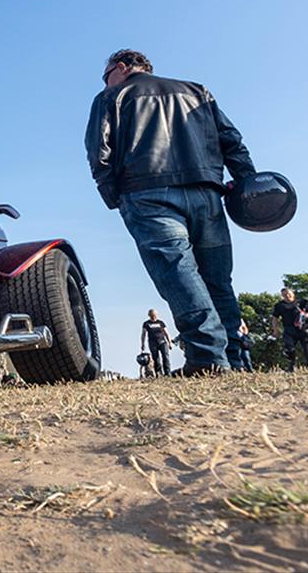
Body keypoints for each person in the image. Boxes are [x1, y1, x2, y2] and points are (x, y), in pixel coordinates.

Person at [85, 50, 256, 376]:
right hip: (207, 192)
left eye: (106, 74)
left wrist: (115, 197)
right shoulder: (196, 91)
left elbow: (98, 152)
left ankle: (208, 357)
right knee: (218, 280)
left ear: (120, 68)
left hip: (147, 194)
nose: (105, 81)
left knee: (179, 274)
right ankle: (232, 358)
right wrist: (247, 184)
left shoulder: (111, 96)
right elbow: (232, 141)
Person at [272, 288, 308, 371]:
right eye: (284, 294)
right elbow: (275, 318)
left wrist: (304, 315)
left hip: (303, 329)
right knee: (289, 350)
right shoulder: (279, 306)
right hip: (289, 329)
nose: (287, 295)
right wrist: (275, 330)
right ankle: (292, 367)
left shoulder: (302, 302)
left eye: (288, 293)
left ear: (292, 293)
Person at [140, 309, 172, 376]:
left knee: (165, 357)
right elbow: (143, 334)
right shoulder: (146, 323)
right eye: (152, 315)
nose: (153, 316)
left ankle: (167, 373)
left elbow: (166, 333)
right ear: (149, 315)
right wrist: (142, 344)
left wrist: (169, 343)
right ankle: (158, 373)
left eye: (154, 315)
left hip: (162, 342)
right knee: (156, 358)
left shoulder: (161, 323)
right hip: (153, 343)